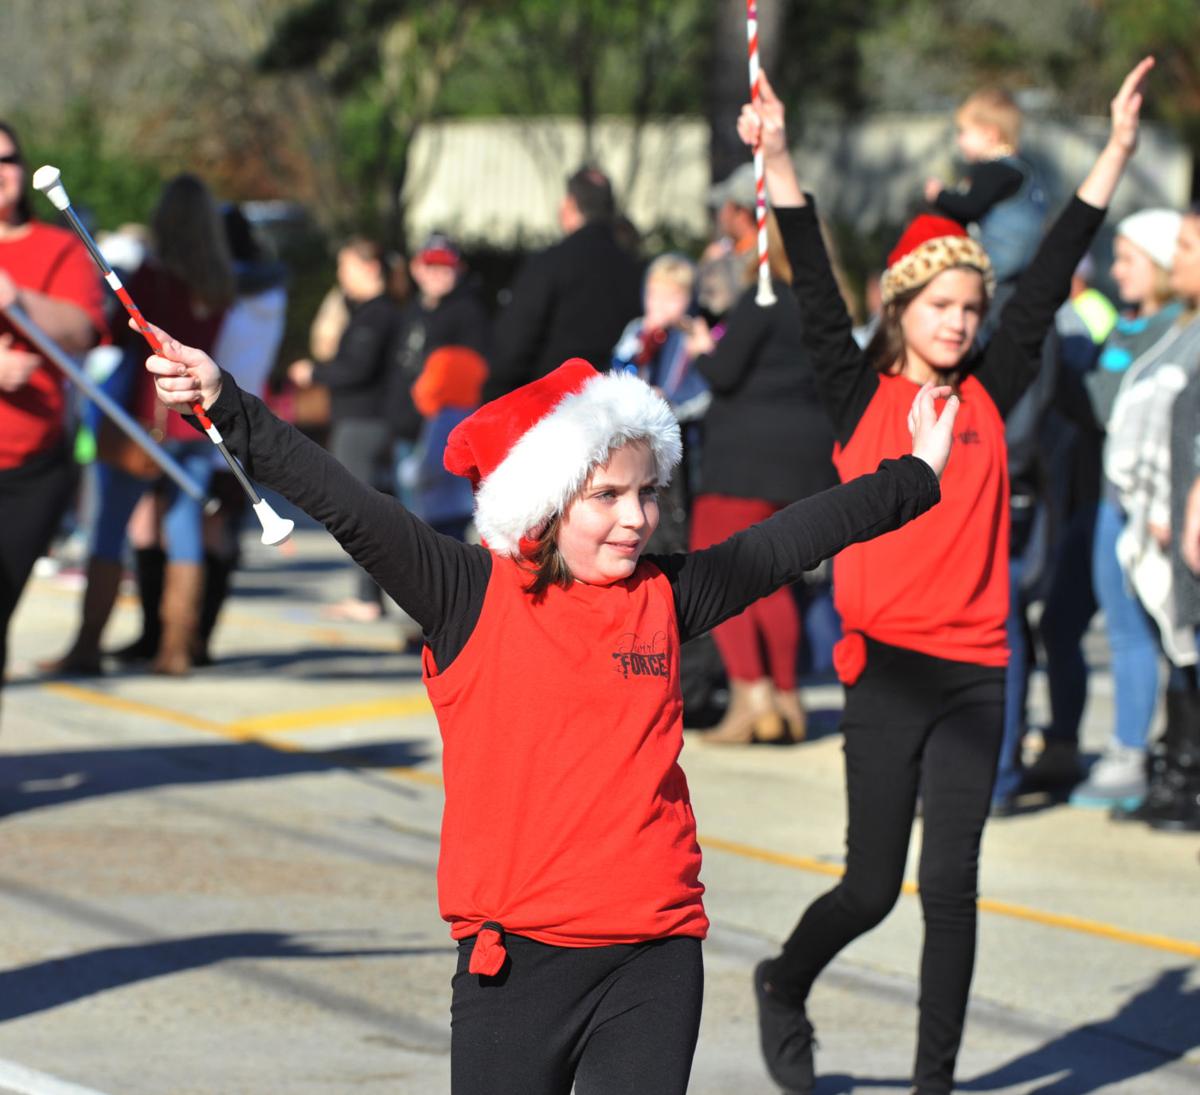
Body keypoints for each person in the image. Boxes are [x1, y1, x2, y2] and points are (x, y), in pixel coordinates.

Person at [142, 314, 958, 1094]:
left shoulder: (666, 596)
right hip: (516, 962)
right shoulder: (467, 593)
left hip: (655, 947)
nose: (637, 519)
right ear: (545, 501)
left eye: (647, 493)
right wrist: (226, 403)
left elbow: (793, 537)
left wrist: (915, 476)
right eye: (606, 495)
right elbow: (347, 504)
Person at [742, 58, 1150, 1095]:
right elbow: (808, 271)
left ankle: (936, 1086)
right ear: (905, 306)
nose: (962, 323)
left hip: (977, 666)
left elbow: (1054, 268)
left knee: (953, 891)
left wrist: (1112, 154)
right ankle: (784, 981)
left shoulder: (990, 389)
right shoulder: (855, 392)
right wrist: (780, 158)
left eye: (973, 307)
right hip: (883, 668)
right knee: (872, 890)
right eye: (944, 306)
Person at [44, 173, 234, 678]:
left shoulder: (152, 279)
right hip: (194, 422)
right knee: (184, 534)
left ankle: (86, 647)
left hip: (144, 422)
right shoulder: (220, 283)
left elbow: (114, 336)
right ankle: (174, 649)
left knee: (108, 533)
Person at [686, 216, 838, 744]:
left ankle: (752, 698)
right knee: (771, 582)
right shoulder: (825, 306)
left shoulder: (763, 298)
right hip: (804, 463)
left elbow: (725, 372)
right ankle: (788, 700)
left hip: (743, 459)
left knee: (721, 575)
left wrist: (704, 346)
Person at [1068, 208, 1188, 808]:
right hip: (1113, 503)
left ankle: (1161, 755)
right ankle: (1129, 750)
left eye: (1128, 260)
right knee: (1124, 630)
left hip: (1165, 510)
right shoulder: (1122, 327)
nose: (1116, 273)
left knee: (1172, 633)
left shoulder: (1181, 331)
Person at [991, 257, 1118, 813]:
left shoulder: (1069, 318)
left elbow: (1078, 409)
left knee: (1035, 625)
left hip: (1070, 501)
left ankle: (1031, 754)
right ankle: (1044, 749)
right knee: (1052, 628)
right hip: (1064, 494)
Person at [0, 120, 105, 720]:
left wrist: (18, 298)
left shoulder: (57, 247)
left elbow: (83, 330)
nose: (3, 172)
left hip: (30, 469)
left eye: (10, 158)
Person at [289, 237, 403, 622]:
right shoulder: (369, 312)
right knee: (367, 508)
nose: (341, 276)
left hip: (364, 422)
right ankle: (369, 594)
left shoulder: (377, 314)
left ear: (369, 268)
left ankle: (369, 598)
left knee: (359, 510)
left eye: (346, 266)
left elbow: (357, 368)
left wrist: (313, 373)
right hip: (361, 420)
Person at [484, 165, 642, 401]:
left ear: (569, 205)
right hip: (616, 413)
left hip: (552, 410)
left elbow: (513, 346)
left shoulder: (549, 264)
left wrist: (493, 394)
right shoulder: (634, 270)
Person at [611, 253, 711, 551]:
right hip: (638, 438)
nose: (661, 304)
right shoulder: (637, 331)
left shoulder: (691, 337)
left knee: (676, 516)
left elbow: (704, 390)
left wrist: (672, 403)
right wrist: (643, 342)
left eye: (673, 296)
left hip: (681, 442)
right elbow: (617, 371)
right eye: (655, 295)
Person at [924, 86, 1048, 288]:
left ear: (990, 134)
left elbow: (970, 207)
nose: (959, 140)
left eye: (963, 132)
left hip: (998, 270)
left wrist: (939, 195)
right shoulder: (1024, 170)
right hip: (1027, 271)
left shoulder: (992, 170)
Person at [388, 232, 489, 456]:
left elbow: (469, 374)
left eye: (445, 267)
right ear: (417, 268)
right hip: (404, 427)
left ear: (458, 270)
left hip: (440, 429)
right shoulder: (413, 309)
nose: (437, 274)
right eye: (431, 266)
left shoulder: (468, 312)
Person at [406, 344, 488, 541]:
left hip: (439, 505)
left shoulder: (442, 420)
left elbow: (433, 464)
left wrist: (410, 473)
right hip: (464, 504)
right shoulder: (473, 414)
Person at [696, 163, 760, 324]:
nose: (720, 215)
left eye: (725, 206)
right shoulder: (772, 255)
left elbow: (714, 306)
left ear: (742, 213)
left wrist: (710, 265)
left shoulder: (755, 261)